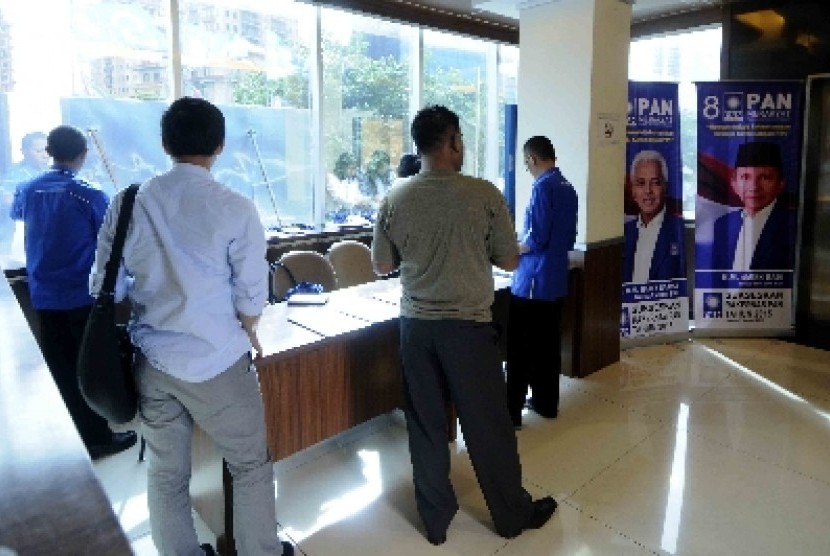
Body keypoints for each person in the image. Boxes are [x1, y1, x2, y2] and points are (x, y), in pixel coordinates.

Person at [90, 97, 293, 556]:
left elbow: (104, 286)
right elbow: (250, 295)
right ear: (219, 146)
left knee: (166, 471)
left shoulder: (128, 204)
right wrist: (250, 328)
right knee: (249, 464)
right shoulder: (236, 207)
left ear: (164, 143)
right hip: (217, 359)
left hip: (153, 362)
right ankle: (259, 551)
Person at [371, 105, 557, 545]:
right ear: (453, 141)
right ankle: (512, 515)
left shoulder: (394, 199)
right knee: (488, 426)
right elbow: (510, 259)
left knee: (426, 425)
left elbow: (381, 264)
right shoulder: (484, 194)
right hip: (469, 330)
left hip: (416, 329)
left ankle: (436, 522)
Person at [10, 125, 137, 459]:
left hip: (43, 295)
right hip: (83, 298)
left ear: (50, 153)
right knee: (91, 370)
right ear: (83, 155)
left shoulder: (27, 189)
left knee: (61, 369)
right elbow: (111, 240)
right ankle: (98, 438)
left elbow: (16, 215)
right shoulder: (90, 194)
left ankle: (76, 439)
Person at [506, 136, 578, 428]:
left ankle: (510, 414)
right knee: (548, 346)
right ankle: (546, 404)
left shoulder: (542, 187)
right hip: (556, 278)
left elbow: (535, 238)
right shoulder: (567, 187)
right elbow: (568, 237)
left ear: (532, 159)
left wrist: (511, 247)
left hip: (533, 281)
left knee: (520, 350)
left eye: (526, 164)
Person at [706, 141, 795, 271]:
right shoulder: (722, 224)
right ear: (734, 183)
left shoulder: (792, 224)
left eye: (765, 177)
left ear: (780, 184)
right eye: (745, 177)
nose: (754, 187)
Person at [622, 149, 686, 283]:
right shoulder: (624, 232)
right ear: (633, 190)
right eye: (640, 183)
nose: (648, 191)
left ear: (665, 187)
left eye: (655, 182)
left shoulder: (679, 231)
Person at [2, 132, 51, 259]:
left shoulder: (53, 172)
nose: (45, 155)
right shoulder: (15, 175)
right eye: (39, 151)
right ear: (24, 151)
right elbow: (8, 201)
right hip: (22, 238)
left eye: (47, 150)